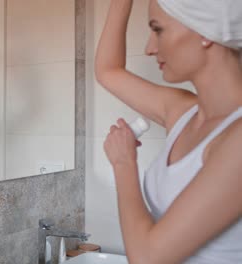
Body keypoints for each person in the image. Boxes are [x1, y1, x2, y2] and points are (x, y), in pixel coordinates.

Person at [95, 0, 242, 263]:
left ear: (205, 33)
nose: (149, 48)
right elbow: (108, 71)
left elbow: (147, 258)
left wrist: (123, 163)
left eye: (158, 30)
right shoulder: (183, 112)